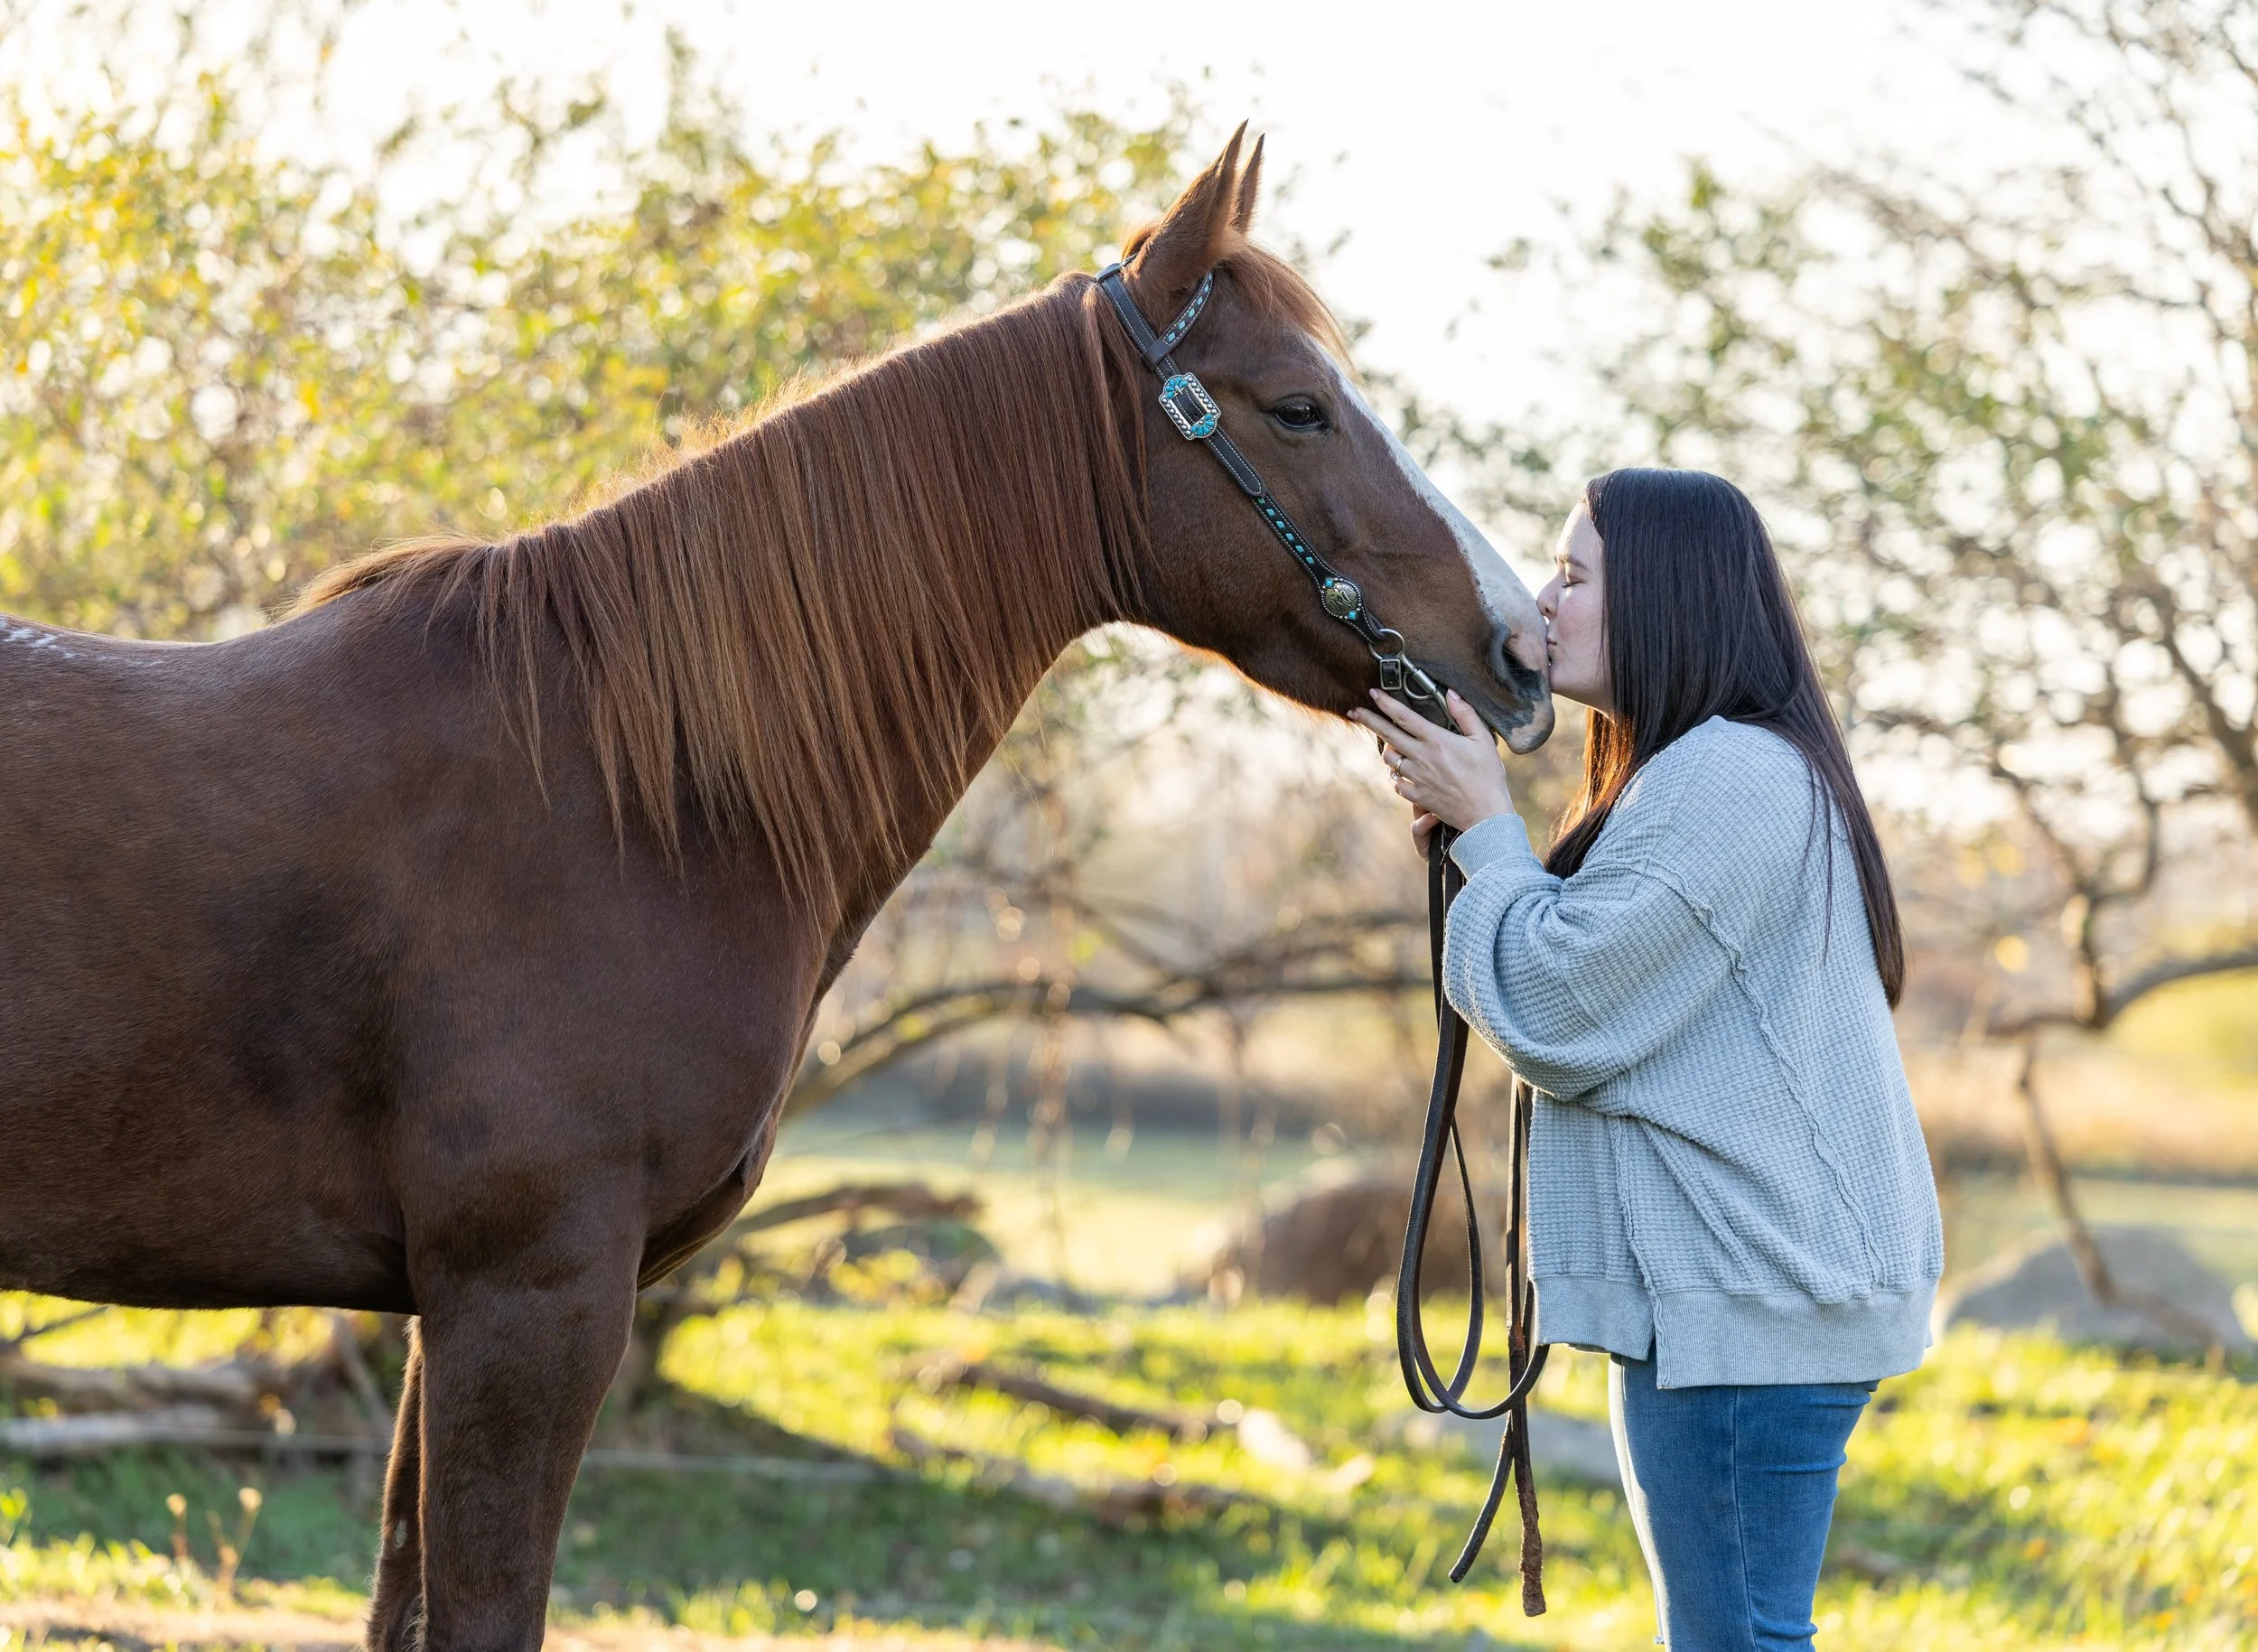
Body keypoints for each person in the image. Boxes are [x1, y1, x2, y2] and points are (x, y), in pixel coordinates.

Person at [1350, 467, 1943, 1652]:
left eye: (1575, 575)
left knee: (1734, 1642)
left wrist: (1487, 835)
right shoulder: (1719, 770)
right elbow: (1588, 972)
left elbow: (1560, 1006)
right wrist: (1488, 840)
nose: (1547, 603)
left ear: (1666, 594)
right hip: (1753, 1298)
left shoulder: (1726, 776)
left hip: (1743, 1304)